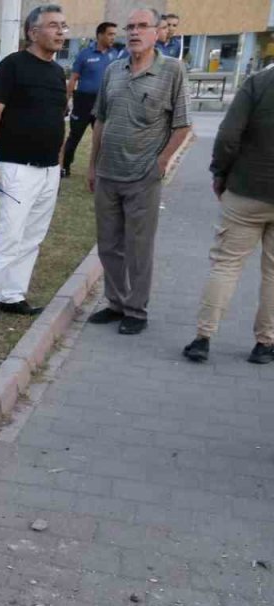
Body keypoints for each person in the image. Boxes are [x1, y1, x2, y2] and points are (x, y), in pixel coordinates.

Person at [86, 7, 191, 336]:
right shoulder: (113, 70)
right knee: (108, 245)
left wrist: (161, 163)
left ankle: (136, 309)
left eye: (142, 26)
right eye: (129, 27)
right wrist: (92, 164)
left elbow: (182, 125)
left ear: (158, 31)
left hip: (143, 177)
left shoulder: (172, 70)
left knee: (138, 247)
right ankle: (116, 302)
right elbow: (100, 119)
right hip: (108, 174)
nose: (133, 32)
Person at [0, 5, 69, 324]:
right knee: (11, 234)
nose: (60, 32)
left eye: (63, 27)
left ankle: (13, 294)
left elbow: (59, 118)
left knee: (32, 236)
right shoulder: (12, 66)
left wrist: (58, 161)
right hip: (16, 167)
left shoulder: (58, 72)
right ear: (33, 32)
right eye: (53, 26)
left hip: (48, 171)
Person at [182, 67, 274, 365]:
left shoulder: (259, 82)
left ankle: (203, 338)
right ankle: (264, 343)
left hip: (246, 189)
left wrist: (220, 172)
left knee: (226, 265)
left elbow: (228, 135)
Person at [62, 21, 119, 178]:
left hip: (104, 102)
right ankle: (65, 167)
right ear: (100, 35)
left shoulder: (114, 55)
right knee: (75, 136)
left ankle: (100, 171)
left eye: (114, 34)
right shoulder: (85, 54)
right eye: (110, 34)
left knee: (103, 138)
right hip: (84, 102)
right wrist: (67, 101)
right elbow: (73, 79)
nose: (113, 37)